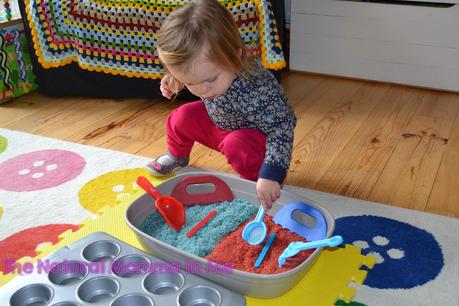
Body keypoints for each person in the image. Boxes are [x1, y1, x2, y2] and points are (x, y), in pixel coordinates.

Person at [146, 0, 296, 210]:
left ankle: (255, 183)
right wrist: (175, 79)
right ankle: (177, 156)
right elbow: (191, 72)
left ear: (235, 56)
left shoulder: (258, 87)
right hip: (219, 124)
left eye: (210, 80)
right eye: (191, 83)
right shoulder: (204, 72)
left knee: (238, 145)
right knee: (180, 117)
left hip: (252, 140)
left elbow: (282, 127)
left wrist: (272, 173)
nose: (201, 91)